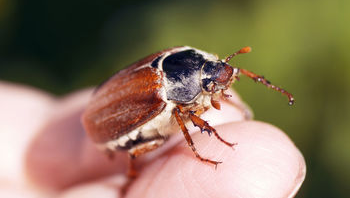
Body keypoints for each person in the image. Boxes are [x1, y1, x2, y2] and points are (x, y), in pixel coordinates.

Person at [0, 81, 305, 198]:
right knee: (146, 144)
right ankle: (132, 175)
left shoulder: (185, 69)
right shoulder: (166, 95)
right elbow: (185, 120)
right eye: (211, 85)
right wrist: (199, 148)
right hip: (111, 129)